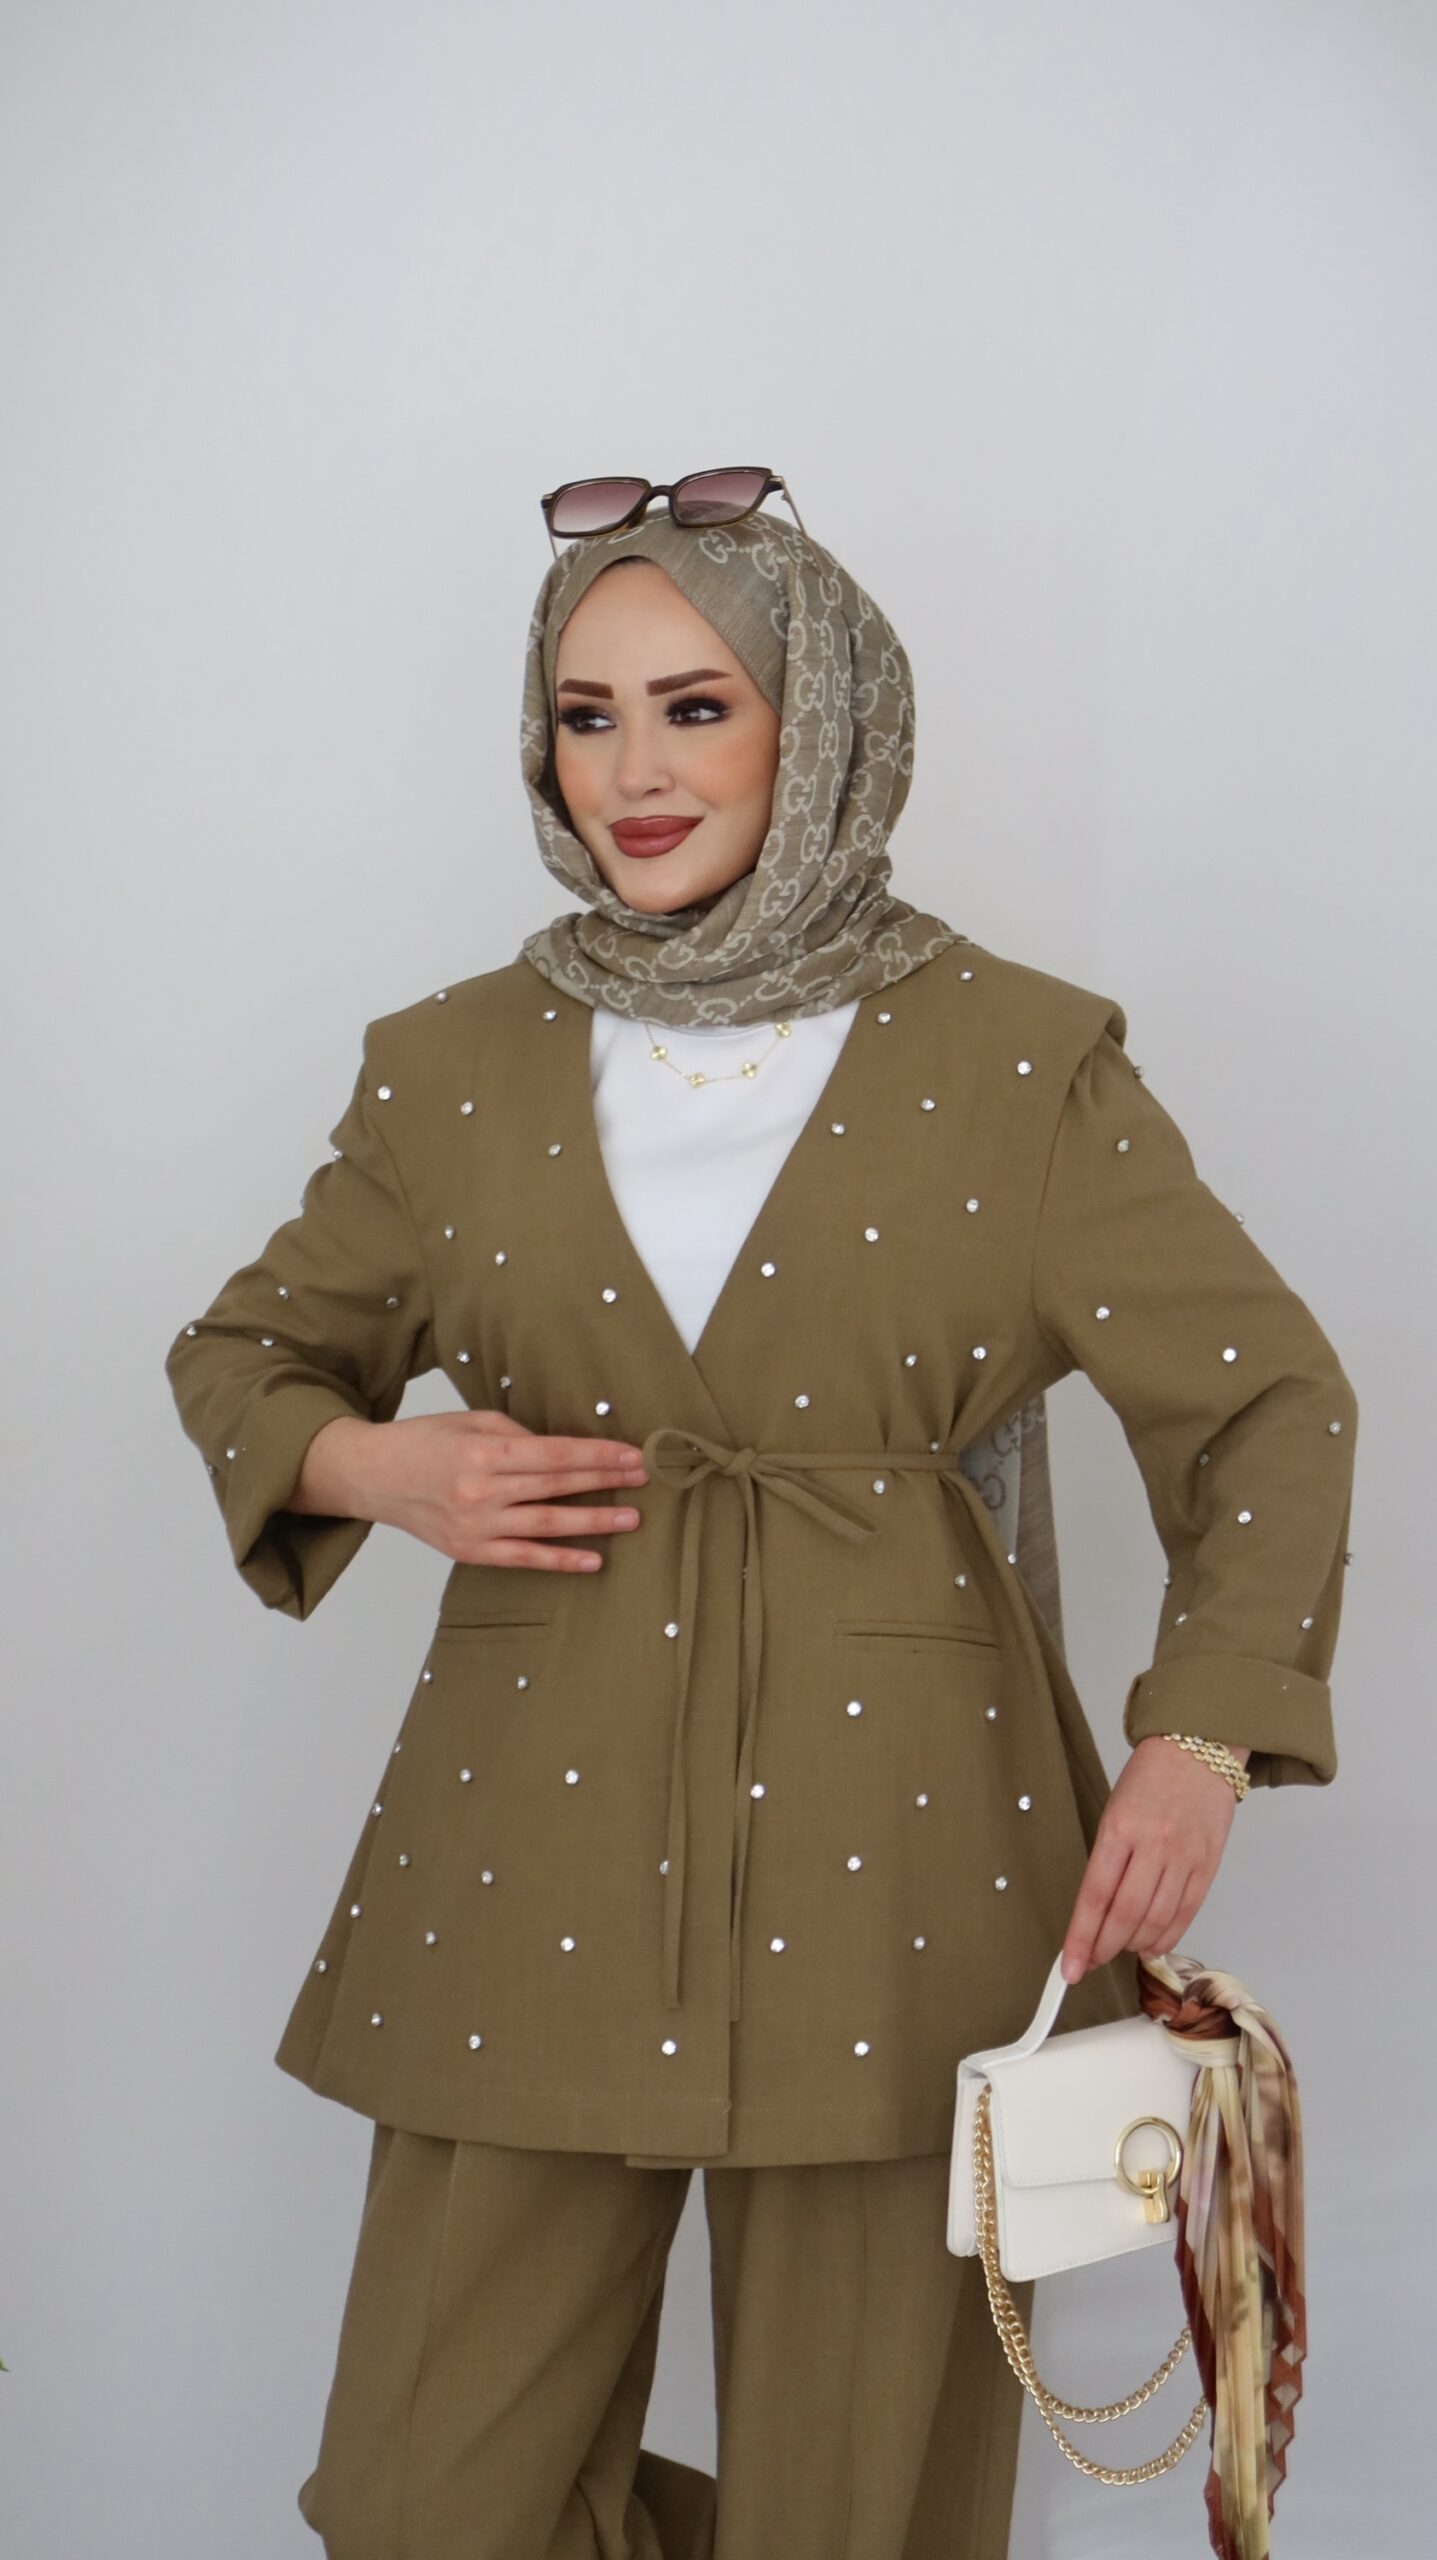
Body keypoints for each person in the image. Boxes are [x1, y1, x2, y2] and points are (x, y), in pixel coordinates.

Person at [164, 492, 1357, 2560]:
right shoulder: (450, 1069)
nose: (631, 769)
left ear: (818, 724)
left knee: (860, 2505)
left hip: (903, 1846)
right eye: (585, 715)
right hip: (523, 1834)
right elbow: (248, 1353)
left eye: (694, 706)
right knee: (423, 2499)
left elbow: (1267, 1400)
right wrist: (383, 1466)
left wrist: (1198, 1734)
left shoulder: (1019, 1060)